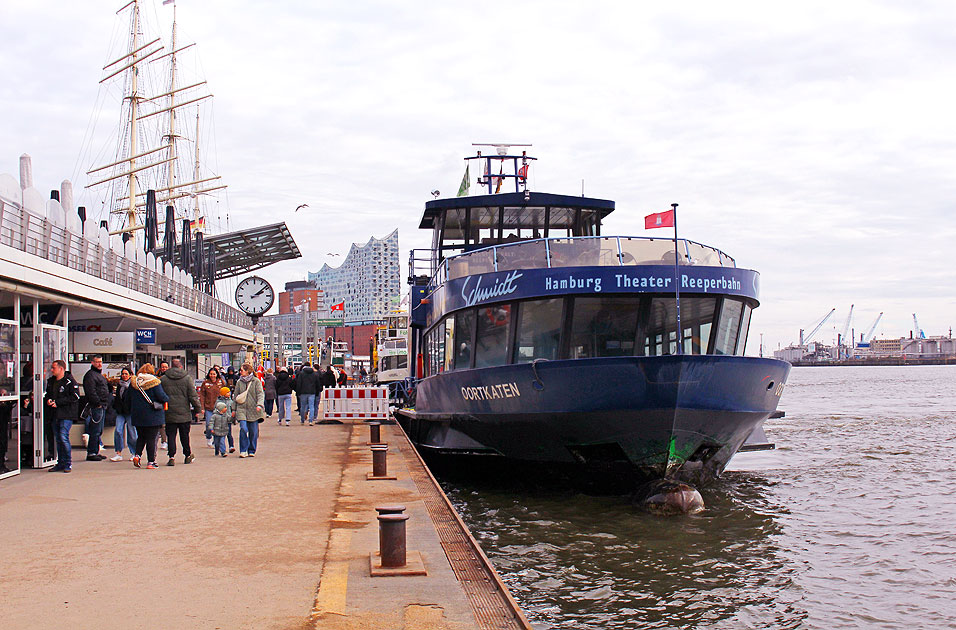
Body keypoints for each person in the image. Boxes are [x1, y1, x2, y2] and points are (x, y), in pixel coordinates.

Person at [125, 364, 168, 469]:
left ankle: (137, 455)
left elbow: (127, 399)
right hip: (152, 415)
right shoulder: (154, 382)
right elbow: (162, 397)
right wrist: (167, 399)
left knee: (141, 437)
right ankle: (151, 462)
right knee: (151, 439)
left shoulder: (134, 383)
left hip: (137, 415)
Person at [160, 358, 201, 466]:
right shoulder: (187, 379)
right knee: (184, 436)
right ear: (181, 366)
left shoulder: (163, 379)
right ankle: (187, 455)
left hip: (169, 412)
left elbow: (160, 395)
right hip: (184, 413)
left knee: (171, 436)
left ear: (170, 367)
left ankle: (171, 457)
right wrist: (197, 409)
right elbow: (193, 396)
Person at [44, 359, 80, 473]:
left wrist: (58, 402)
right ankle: (60, 463)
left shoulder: (69, 381)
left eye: (54, 368)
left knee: (63, 436)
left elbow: (75, 396)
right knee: (58, 439)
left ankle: (68, 463)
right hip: (55, 414)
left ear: (61, 369)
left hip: (66, 414)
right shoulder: (51, 381)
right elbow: (48, 394)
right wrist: (49, 400)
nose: (52, 370)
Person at [82, 355, 111, 461]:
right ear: (92, 363)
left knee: (99, 430)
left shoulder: (98, 375)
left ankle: (96, 450)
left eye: (101, 362)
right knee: (95, 430)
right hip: (96, 406)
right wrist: (98, 403)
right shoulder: (90, 375)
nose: (99, 364)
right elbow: (91, 391)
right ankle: (91, 453)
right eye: (97, 362)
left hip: (102, 405)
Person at [233, 363, 264, 457]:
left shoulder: (256, 381)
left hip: (253, 409)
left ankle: (251, 450)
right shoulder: (239, 382)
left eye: (242, 370)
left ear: (248, 371)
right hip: (241, 408)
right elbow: (235, 396)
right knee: (243, 428)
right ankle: (243, 450)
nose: (240, 372)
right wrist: (234, 409)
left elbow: (260, 394)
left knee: (253, 432)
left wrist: (259, 404)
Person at [109, 367, 137, 461]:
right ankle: (118, 452)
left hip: (130, 412)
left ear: (130, 375)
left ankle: (134, 452)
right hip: (120, 412)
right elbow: (117, 398)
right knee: (118, 431)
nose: (124, 376)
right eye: (123, 374)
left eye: (126, 374)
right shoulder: (119, 385)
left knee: (132, 433)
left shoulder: (133, 386)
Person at [200, 367, 225, 447]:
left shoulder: (221, 382)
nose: (212, 375)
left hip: (218, 408)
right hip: (209, 408)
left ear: (217, 374)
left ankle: (215, 441)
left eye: (214, 374)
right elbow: (202, 395)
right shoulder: (205, 383)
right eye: (211, 374)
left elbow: (225, 392)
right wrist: (202, 407)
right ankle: (209, 437)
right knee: (208, 424)